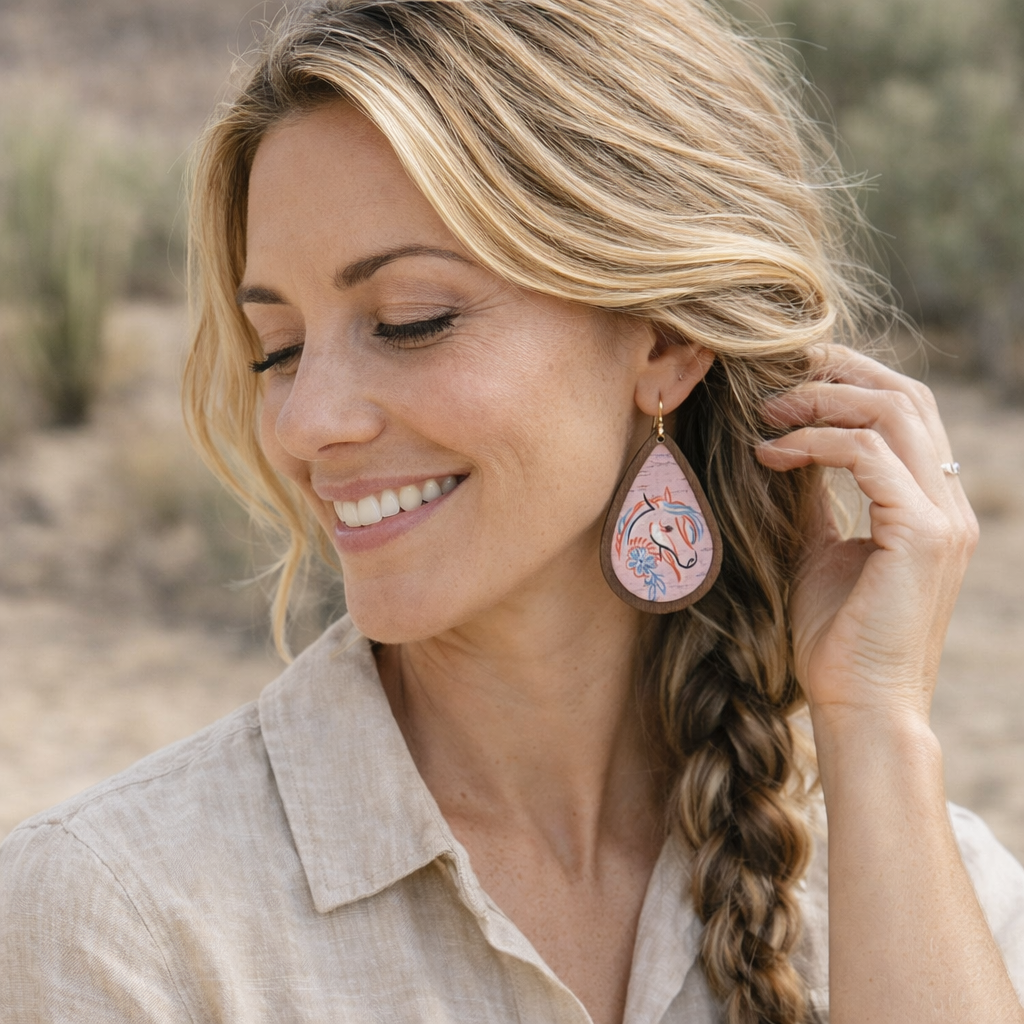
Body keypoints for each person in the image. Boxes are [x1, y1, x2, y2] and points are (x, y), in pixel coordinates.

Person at [2, 1, 1023, 1022]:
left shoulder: (933, 884)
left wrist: (877, 721)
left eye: (412, 321)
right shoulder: (115, 917)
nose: (307, 420)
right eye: (278, 348)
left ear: (664, 343)